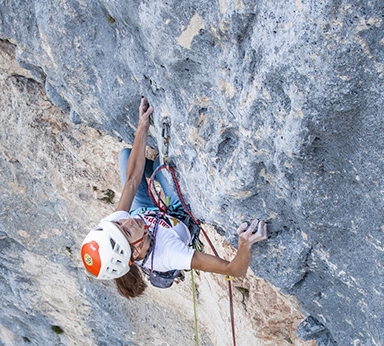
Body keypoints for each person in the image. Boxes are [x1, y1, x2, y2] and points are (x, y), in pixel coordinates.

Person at [80, 97, 268, 298]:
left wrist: (143, 125)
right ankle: (156, 171)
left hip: (147, 211)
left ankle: (154, 171)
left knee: (126, 155)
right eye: (126, 231)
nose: (125, 220)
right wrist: (244, 244)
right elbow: (233, 270)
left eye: (118, 224)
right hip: (177, 214)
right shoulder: (169, 254)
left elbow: (133, 179)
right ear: (134, 253)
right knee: (164, 166)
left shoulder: (119, 225)